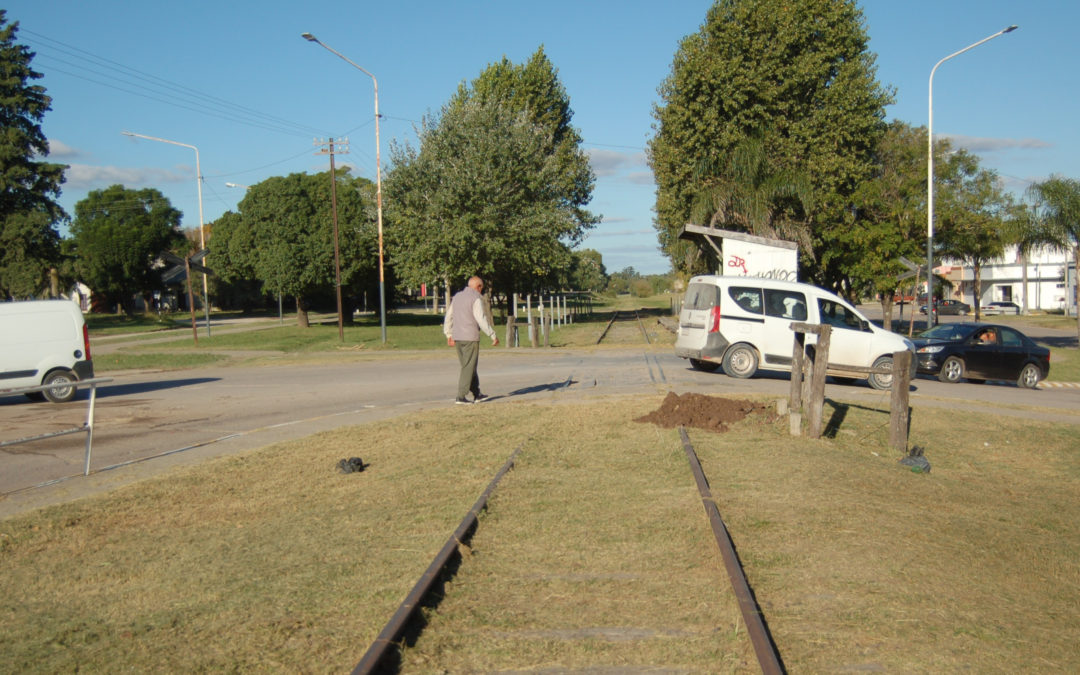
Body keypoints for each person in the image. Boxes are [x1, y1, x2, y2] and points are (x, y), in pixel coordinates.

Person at [444, 276, 499, 404]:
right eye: (481, 288)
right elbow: (481, 319)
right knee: (468, 367)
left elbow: (449, 316)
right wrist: (492, 335)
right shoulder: (475, 299)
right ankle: (461, 396)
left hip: (457, 336)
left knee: (469, 366)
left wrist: (448, 334)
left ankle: (477, 393)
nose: (481, 291)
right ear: (478, 287)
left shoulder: (457, 297)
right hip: (470, 337)